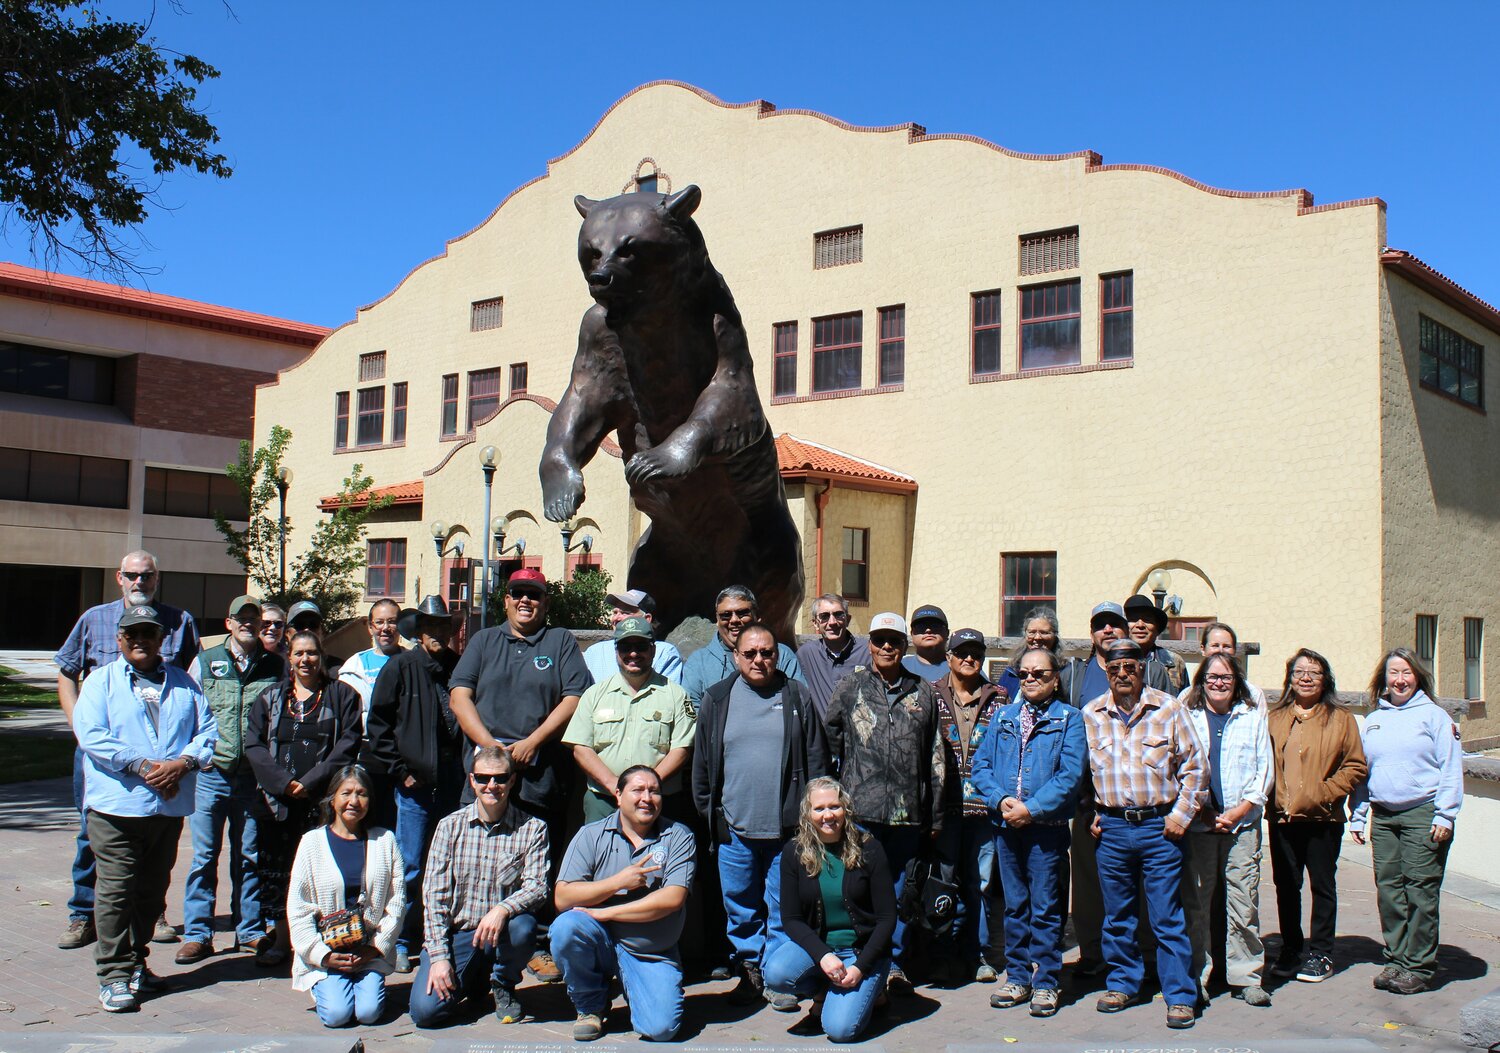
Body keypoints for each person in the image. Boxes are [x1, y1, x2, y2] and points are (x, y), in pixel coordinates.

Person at [448, 567, 592, 984]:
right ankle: (467, 943)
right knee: (474, 859)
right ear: (506, 600)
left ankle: (533, 945)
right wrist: (491, 750)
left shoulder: (559, 641)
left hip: (537, 771)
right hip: (485, 773)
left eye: (534, 594)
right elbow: (460, 697)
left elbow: (574, 697)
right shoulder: (484, 640)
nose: (525, 600)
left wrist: (533, 742)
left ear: (545, 602)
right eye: (517, 593)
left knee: (535, 864)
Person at [73, 603, 216, 1012]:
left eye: (148, 634)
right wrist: (139, 764)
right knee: (117, 890)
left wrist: (182, 764)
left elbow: (207, 732)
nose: (140, 641)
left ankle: (136, 963)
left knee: (151, 894)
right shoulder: (100, 682)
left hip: (167, 808)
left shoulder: (186, 685)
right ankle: (114, 974)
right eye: (131, 634)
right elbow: (92, 735)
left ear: (161, 640)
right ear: (120, 640)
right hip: (116, 807)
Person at [55, 550, 198, 951]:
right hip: (104, 756)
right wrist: (79, 725)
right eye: (132, 576)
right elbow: (66, 674)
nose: (139, 583)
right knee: (92, 834)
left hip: (162, 762)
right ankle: (83, 915)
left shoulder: (179, 622)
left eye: (147, 576)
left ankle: (152, 915)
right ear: (119, 577)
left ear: (157, 578)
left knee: (156, 840)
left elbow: (191, 684)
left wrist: (178, 760)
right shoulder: (94, 619)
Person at [692, 622, 830, 1009]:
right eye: (749, 653)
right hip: (734, 828)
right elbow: (702, 765)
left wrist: (812, 821)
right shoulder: (717, 699)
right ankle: (749, 970)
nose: (758, 659)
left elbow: (817, 760)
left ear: (777, 654)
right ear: (735, 656)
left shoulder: (796, 695)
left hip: (786, 830)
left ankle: (777, 976)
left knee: (783, 907)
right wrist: (711, 815)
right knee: (740, 905)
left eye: (766, 652)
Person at [1082, 639, 1206, 1029]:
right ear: (1107, 671)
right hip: (1113, 830)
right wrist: (1091, 811)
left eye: (1130, 668)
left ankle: (1180, 996)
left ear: (1142, 669)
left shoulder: (1169, 710)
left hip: (1160, 828)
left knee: (1166, 916)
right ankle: (1122, 983)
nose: (1123, 674)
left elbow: (1196, 769)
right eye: (1116, 668)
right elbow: (1080, 772)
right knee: (1117, 916)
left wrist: (1181, 817)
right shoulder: (1091, 715)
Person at [824, 611, 945, 994]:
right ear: (870, 644)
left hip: (908, 814)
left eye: (894, 640)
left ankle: (892, 965)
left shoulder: (923, 691)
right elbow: (830, 740)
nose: (887, 647)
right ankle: (858, 959)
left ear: (904, 645)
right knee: (858, 888)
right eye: (879, 640)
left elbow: (936, 757)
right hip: (860, 811)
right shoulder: (851, 687)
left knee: (899, 891)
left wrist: (936, 813)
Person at [970, 646, 1087, 1018]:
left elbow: (1070, 777)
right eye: (1024, 674)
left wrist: (1030, 809)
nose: (1031, 680)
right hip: (1005, 827)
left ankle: (1048, 980)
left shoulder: (1069, 719)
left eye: (1040, 674)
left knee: (1046, 907)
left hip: (1045, 830)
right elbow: (981, 766)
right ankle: (1018, 976)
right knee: (1015, 905)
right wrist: (1000, 799)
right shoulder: (1003, 716)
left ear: (1055, 678)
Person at [1062, 600, 1172, 977]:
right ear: (1091, 632)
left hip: (1144, 803)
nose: (1107, 631)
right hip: (1089, 803)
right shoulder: (1073, 675)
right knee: (1091, 886)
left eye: (1114, 624)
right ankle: (1093, 953)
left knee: (1140, 888)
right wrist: (1083, 803)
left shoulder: (1154, 672)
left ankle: (1146, 954)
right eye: (1100, 625)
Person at [244, 630, 363, 966]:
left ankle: (325, 944)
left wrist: (309, 782)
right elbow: (254, 745)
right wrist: (283, 783)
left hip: (321, 805)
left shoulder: (342, 696)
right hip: (276, 805)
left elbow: (348, 744)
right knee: (278, 873)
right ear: (289, 658)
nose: (305, 660)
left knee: (324, 875)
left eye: (311, 653)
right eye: (298, 654)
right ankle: (283, 942)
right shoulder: (270, 698)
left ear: (321, 656)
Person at [552, 766, 696, 1042]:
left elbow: (672, 898)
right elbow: (563, 897)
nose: (647, 798)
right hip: (600, 941)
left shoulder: (678, 836)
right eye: (638, 790)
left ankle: (638, 987)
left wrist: (607, 912)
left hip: (650, 949)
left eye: (654, 791)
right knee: (566, 927)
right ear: (618, 795)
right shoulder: (590, 835)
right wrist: (618, 882)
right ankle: (591, 1006)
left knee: (661, 1029)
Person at [178, 595, 285, 965]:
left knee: (249, 856)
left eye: (254, 618)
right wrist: (195, 759)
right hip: (212, 774)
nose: (248, 624)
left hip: (251, 778)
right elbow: (189, 714)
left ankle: (250, 930)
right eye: (241, 618)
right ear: (229, 623)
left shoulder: (275, 665)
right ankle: (198, 933)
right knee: (204, 857)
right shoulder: (206, 663)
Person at [1350, 649, 1463, 995]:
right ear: (1383, 679)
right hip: (1384, 816)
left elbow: (1450, 767)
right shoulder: (1374, 719)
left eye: (1406, 673)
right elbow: (1363, 772)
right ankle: (1397, 959)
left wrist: (1446, 814)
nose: (1399, 680)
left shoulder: (1435, 717)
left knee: (1420, 889)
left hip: (1423, 813)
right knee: (1389, 891)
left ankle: (1420, 966)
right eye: (1393, 673)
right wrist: (1358, 814)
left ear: (1418, 676)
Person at [410, 747, 550, 1027]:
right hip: (458, 933)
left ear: (512, 780)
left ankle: (503, 982)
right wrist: (439, 958)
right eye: (483, 778)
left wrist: (502, 909)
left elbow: (538, 887)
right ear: (472, 780)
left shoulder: (533, 828)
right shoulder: (449, 827)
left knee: (523, 926)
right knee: (426, 1013)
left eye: (500, 778)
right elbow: (434, 897)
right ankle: (472, 980)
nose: (492, 786)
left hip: (502, 934)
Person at [365, 595, 465, 972]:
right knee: (409, 866)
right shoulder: (401, 667)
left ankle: (441, 935)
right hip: (415, 787)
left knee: (450, 865)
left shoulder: (459, 667)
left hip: (454, 785)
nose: (437, 633)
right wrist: (400, 771)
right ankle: (402, 939)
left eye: (443, 626)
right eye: (430, 626)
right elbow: (379, 727)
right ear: (419, 632)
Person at [765, 778, 897, 1042]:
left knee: (839, 1030)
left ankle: (874, 990)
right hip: (820, 950)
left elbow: (887, 918)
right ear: (807, 813)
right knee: (776, 973)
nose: (828, 815)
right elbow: (790, 919)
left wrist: (860, 967)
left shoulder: (869, 847)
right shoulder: (794, 852)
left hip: (860, 953)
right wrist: (823, 955)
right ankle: (821, 994)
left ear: (845, 809)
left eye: (834, 807)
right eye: (819, 808)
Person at [1266, 648, 1367, 985]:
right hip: (1282, 818)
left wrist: (1324, 793)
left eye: (1314, 672)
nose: (1306, 678)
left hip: (1323, 819)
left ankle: (1322, 952)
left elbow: (1355, 766)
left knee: (1322, 886)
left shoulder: (1341, 718)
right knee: (1286, 887)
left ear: (1326, 680)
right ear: (1289, 679)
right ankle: (1292, 948)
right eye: (1299, 672)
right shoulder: (1275, 717)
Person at [1180, 653, 1273, 1007]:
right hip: (1198, 824)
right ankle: (1196, 977)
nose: (1219, 683)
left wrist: (1241, 810)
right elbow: (1177, 763)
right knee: (1196, 904)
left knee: (1243, 902)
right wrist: (1202, 810)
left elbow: (1263, 768)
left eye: (1227, 678)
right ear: (1201, 680)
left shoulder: (1251, 717)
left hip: (1242, 825)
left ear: (1237, 682)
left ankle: (1245, 976)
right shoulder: (1185, 714)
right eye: (1212, 677)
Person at [287, 765, 405, 1028]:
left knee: (368, 1014)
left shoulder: (385, 841)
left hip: (368, 949)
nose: (354, 801)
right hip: (328, 949)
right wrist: (322, 954)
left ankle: (363, 984)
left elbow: (396, 903)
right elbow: (298, 908)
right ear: (332, 798)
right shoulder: (311, 843)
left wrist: (375, 947)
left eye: (361, 794)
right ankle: (325, 984)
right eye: (346, 793)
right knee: (337, 1016)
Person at [931, 626, 1008, 983]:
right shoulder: (928, 695)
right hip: (943, 809)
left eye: (975, 652)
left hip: (984, 809)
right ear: (948, 657)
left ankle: (977, 954)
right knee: (943, 881)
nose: (968, 658)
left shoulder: (1002, 698)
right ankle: (941, 953)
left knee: (980, 883)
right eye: (961, 651)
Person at [566, 616, 697, 823]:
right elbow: (581, 748)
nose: (633, 653)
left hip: (657, 800)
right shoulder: (594, 695)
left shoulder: (676, 695)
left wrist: (645, 787)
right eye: (626, 647)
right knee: (602, 855)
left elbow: (682, 749)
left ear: (653, 650)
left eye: (641, 646)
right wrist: (615, 786)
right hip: (604, 800)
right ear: (616, 651)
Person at [681, 585, 804, 701]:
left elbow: (801, 701)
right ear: (717, 620)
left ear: (757, 616)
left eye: (742, 613)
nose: (734, 620)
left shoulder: (782, 655)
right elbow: (693, 715)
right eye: (726, 615)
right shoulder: (698, 663)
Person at [794, 593, 871, 721]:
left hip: (861, 735)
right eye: (824, 616)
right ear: (815, 623)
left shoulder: (867, 651)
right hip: (823, 738)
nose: (832, 622)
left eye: (838, 615)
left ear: (848, 619)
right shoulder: (806, 654)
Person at [582, 589, 684, 686]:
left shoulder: (664, 653)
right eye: (615, 612)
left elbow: (668, 697)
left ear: (647, 619)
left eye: (625, 613)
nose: (616, 618)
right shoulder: (594, 652)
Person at [338, 598, 405, 727]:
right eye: (379, 622)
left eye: (392, 622)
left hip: (403, 744)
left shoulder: (413, 662)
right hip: (364, 743)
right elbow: (345, 713)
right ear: (370, 627)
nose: (385, 628)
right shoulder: (354, 667)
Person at [1123, 594, 1187, 693]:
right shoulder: (1112, 662)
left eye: (1147, 620)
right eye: (1133, 619)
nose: (1140, 625)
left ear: (1157, 629)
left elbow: (1186, 702)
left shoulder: (1174, 662)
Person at [995, 607, 1060, 701]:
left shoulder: (1067, 673)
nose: (1037, 637)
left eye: (1044, 632)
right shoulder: (1011, 672)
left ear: (1055, 635)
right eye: (1032, 632)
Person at [1195, 622, 1267, 706]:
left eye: (1226, 646)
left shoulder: (1254, 695)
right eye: (1215, 645)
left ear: (1234, 651)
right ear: (1203, 649)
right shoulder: (1187, 697)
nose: (1220, 650)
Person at [901, 603, 949, 681]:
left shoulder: (960, 665)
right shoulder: (900, 665)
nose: (928, 630)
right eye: (920, 626)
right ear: (912, 634)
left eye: (935, 625)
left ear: (947, 632)